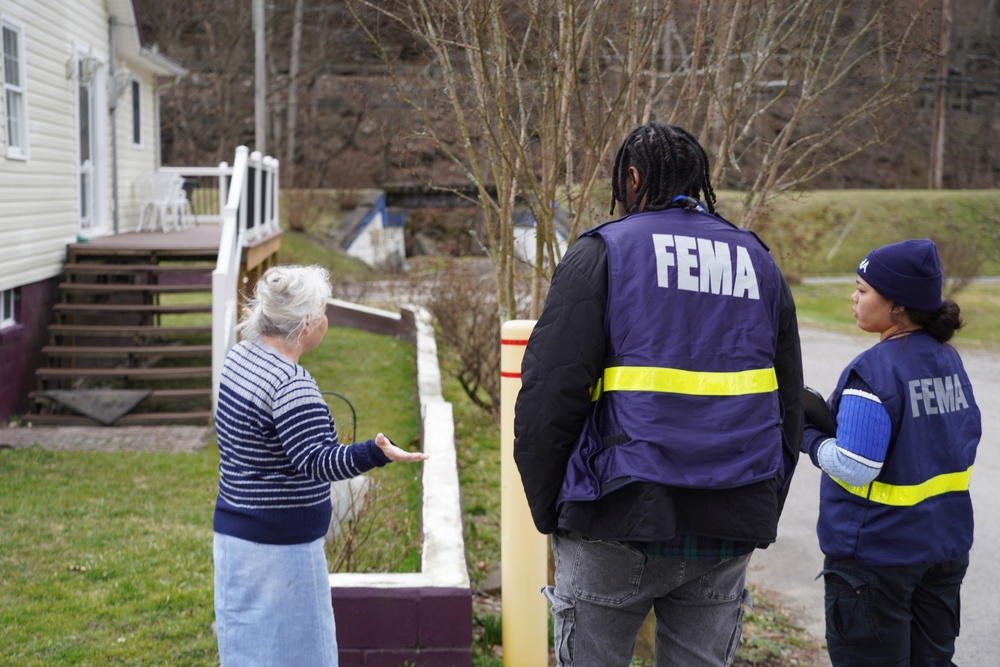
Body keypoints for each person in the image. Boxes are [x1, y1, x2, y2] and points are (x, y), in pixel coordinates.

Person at [513, 122, 803, 666]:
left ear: (633, 176)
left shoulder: (605, 251)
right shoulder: (758, 262)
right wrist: (762, 504)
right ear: (698, 180)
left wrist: (551, 510)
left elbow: (549, 396)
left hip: (613, 514)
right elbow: (786, 405)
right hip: (729, 518)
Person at [212, 264, 428, 667]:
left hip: (234, 538)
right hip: (282, 550)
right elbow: (318, 462)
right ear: (308, 322)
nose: (326, 320)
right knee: (298, 655)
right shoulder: (290, 383)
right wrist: (376, 452)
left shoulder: (239, 358)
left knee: (245, 651)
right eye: (324, 312)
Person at [801, 239, 981, 666]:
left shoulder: (875, 371)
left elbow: (854, 467)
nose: (854, 297)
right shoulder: (948, 361)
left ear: (897, 305)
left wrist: (806, 435)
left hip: (877, 561)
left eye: (862, 290)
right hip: (943, 551)